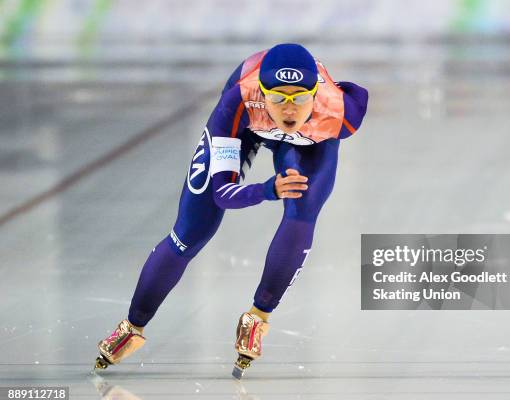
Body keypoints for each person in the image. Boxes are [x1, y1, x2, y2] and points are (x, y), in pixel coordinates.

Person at [94, 43, 368, 379]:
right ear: (261, 92)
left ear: (315, 93)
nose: (289, 108)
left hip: (310, 137)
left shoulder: (341, 113)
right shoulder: (236, 102)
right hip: (247, 125)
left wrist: (284, 177)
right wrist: (267, 189)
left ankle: (258, 317)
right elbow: (222, 194)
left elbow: (311, 122)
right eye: (279, 97)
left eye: (299, 97)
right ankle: (132, 326)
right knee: (190, 232)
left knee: (302, 207)